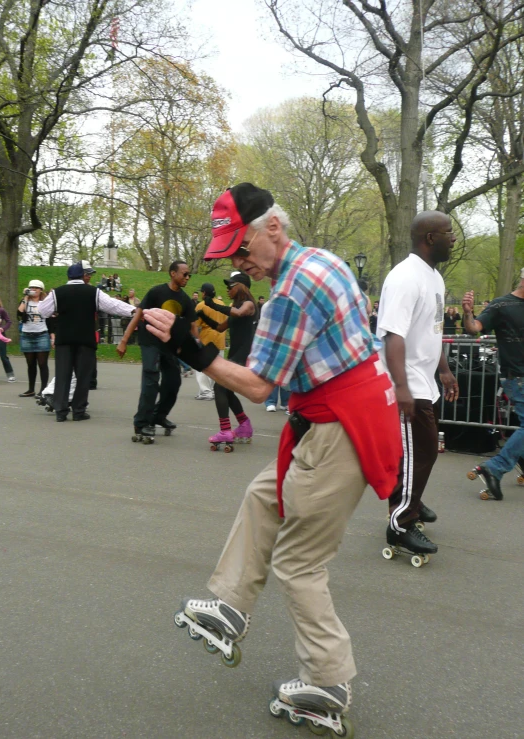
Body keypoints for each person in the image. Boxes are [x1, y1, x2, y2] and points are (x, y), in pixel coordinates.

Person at [143, 182, 402, 727]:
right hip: (347, 412)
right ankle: (231, 607)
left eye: (243, 249)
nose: (240, 263)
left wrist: (185, 347)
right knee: (265, 495)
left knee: (299, 562)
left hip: (339, 425)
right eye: (231, 253)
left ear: (274, 228)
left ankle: (327, 684)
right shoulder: (321, 260)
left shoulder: (289, 291)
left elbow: (258, 387)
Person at [377, 210, 459, 556]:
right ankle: (401, 523)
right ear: (430, 239)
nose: (453, 238)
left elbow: (431, 330)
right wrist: (401, 387)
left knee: (419, 452)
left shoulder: (433, 278)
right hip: (407, 381)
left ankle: (411, 498)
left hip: (425, 379)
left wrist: (444, 369)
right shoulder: (405, 278)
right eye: (448, 232)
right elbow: (393, 335)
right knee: (422, 449)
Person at [37, 261, 135, 422]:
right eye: (87, 274)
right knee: (83, 376)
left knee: (63, 375)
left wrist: (57, 311)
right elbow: (112, 305)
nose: (89, 276)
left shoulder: (57, 293)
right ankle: (78, 410)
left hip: (64, 339)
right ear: (82, 275)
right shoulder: (93, 292)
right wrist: (132, 310)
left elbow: (43, 311)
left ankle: (61, 411)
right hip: (85, 339)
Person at [461, 271, 524, 499]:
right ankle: (495, 467)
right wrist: (468, 313)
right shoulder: (502, 305)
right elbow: (473, 328)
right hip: (516, 376)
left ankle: (519, 456)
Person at [117, 261, 197, 439]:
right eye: (184, 274)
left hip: (169, 345)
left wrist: (196, 344)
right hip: (150, 341)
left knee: (173, 382)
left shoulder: (185, 299)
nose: (187, 277)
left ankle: (158, 416)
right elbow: (138, 315)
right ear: (172, 273)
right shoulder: (156, 292)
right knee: (151, 378)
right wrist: (124, 340)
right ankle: (142, 423)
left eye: (188, 274)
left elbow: (192, 325)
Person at [199, 272, 257, 445]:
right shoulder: (235, 306)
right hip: (235, 354)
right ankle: (244, 426)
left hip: (243, 355)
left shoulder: (249, 305)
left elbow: (239, 313)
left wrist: (214, 306)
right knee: (227, 390)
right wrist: (203, 314)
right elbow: (219, 327)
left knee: (220, 388)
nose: (227, 289)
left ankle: (225, 430)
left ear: (242, 286)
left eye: (231, 286)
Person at [17, 279, 53, 398]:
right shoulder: (25, 301)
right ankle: (31, 389)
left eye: (36, 288)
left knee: (42, 363)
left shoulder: (45, 302)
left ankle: (43, 390)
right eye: (31, 288)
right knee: (30, 363)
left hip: (41, 334)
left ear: (41, 290)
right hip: (27, 334)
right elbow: (19, 312)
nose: (33, 290)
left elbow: (52, 319)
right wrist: (25, 297)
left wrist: (53, 336)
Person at [193, 283, 226, 400]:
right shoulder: (221, 304)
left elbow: (195, 325)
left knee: (201, 367)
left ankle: (205, 392)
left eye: (202, 292)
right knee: (216, 368)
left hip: (207, 339)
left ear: (205, 293)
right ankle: (210, 390)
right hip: (220, 339)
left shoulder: (201, 306)